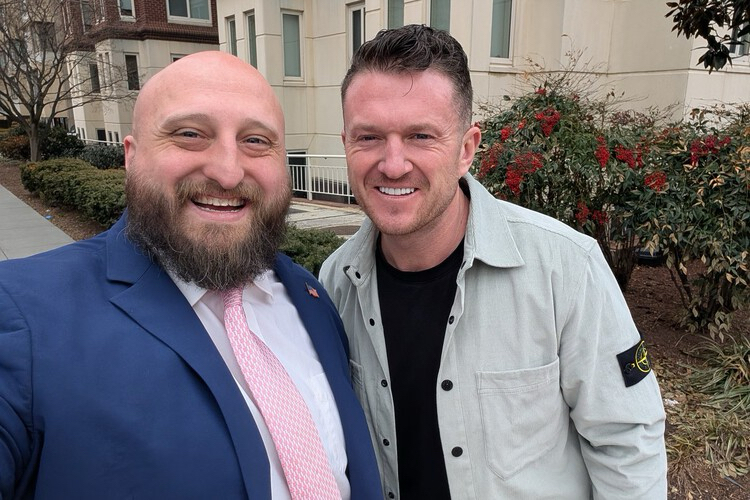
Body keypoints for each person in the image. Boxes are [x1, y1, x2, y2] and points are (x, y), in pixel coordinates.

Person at [0, 51, 382, 500]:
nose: (228, 171)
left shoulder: (311, 295)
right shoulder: (23, 314)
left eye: (255, 140)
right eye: (189, 134)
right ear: (131, 156)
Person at [319, 25, 667, 499]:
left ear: (466, 149)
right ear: (346, 144)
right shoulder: (335, 282)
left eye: (421, 135)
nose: (393, 163)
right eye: (369, 137)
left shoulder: (565, 268)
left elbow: (627, 442)